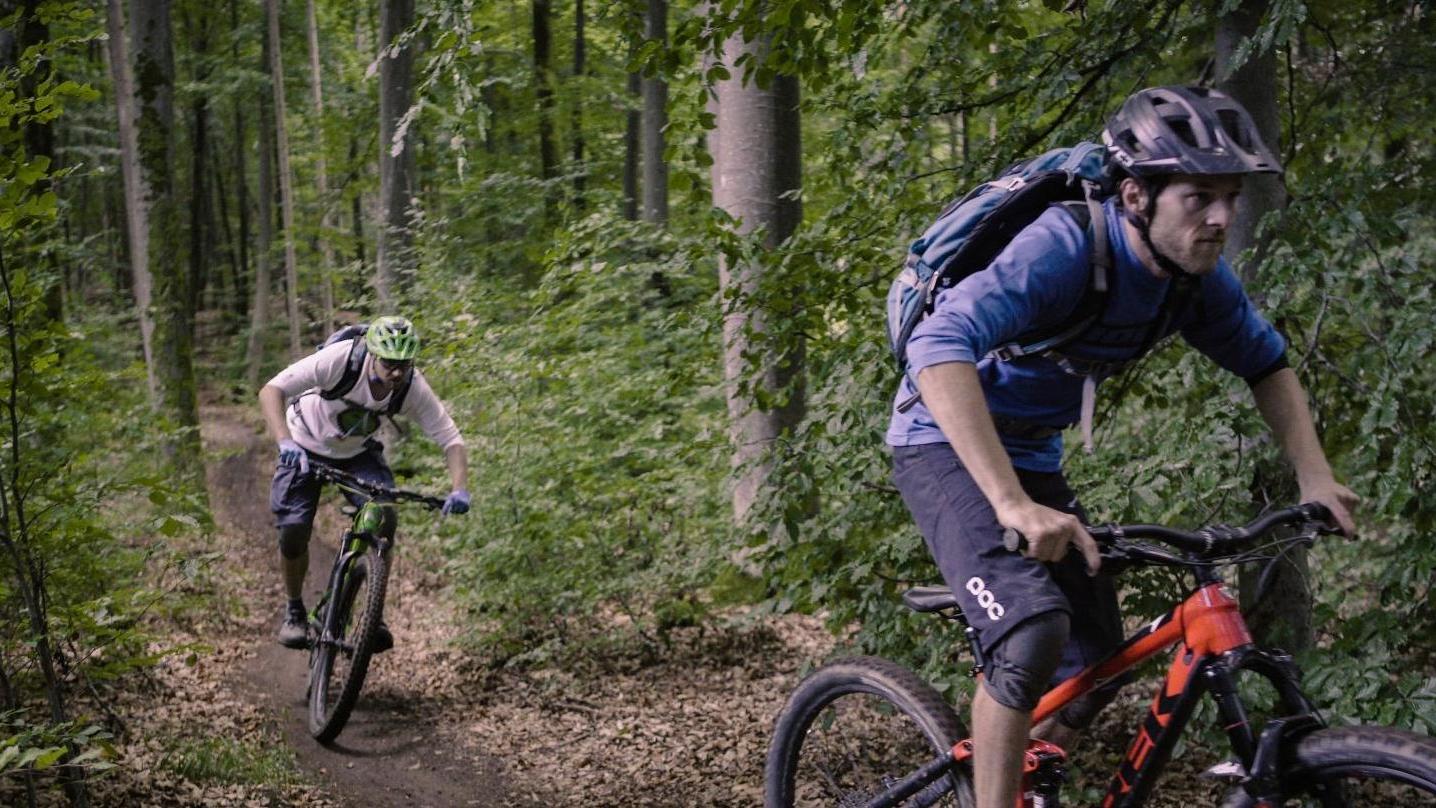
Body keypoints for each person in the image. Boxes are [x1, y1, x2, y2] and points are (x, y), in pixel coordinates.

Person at [885, 86, 1359, 807]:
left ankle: (1025, 777)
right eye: (1199, 197)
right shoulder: (1065, 248)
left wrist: (1315, 477)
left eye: (1229, 198)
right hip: (940, 439)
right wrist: (1011, 504)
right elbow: (936, 345)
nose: (1221, 218)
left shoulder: (1193, 283)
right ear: (1137, 194)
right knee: (1029, 633)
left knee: (1099, 659)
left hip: (1032, 452)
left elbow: (1266, 363)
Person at [258, 316, 470, 650]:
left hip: (356, 453)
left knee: (385, 516)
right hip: (303, 444)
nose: (396, 373)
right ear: (372, 354)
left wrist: (459, 488)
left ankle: (373, 610)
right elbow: (272, 390)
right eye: (389, 363)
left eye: (404, 364)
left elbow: (451, 439)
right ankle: (294, 611)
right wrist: (284, 442)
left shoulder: (411, 386)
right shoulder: (339, 361)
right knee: (294, 529)